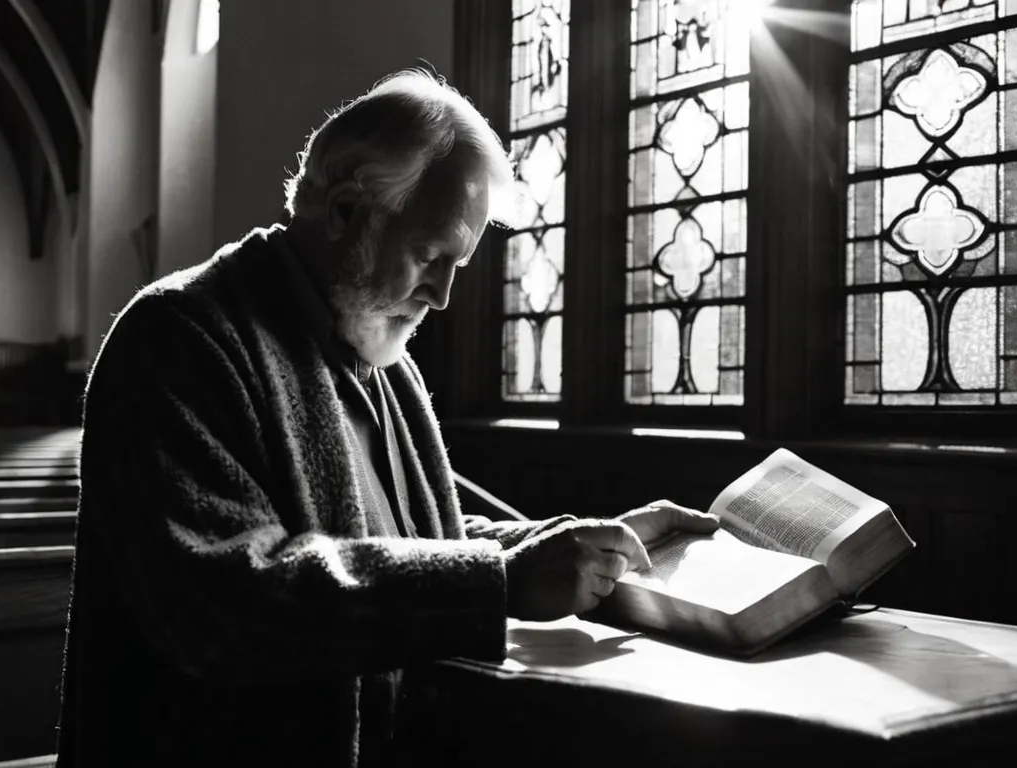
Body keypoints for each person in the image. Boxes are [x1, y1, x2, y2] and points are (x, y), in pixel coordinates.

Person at [55, 69, 718, 767]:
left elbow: (430, 538)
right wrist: (502, 582)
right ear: (344, 210)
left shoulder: (379, 355)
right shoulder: (177, 337)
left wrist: (589, 545)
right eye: (431, 256)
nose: (443, 296)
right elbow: (223, 599)